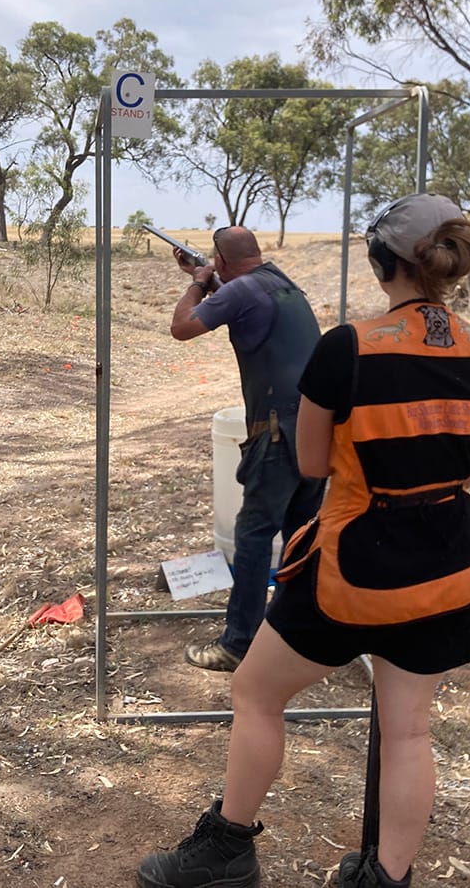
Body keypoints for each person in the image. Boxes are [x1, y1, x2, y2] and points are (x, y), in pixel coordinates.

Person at [138, 193, 470, 888]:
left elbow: (311, 461)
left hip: (356, 564)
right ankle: (382, 878)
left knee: (254, 692)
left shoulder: (351, 347)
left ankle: (227, 850)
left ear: (379, 261)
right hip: (450, 565)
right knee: (408, 732)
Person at [169, 225, 326, 672]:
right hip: (315, 431)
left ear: (219, 259)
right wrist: (209, 278)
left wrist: (197, 283)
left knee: (255, 536)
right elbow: (244, 300)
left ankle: (239, 642)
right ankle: (296, 633)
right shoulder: (282, 284)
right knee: (300, 533)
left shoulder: (235, 291)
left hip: (276, 431)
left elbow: (182, 327)